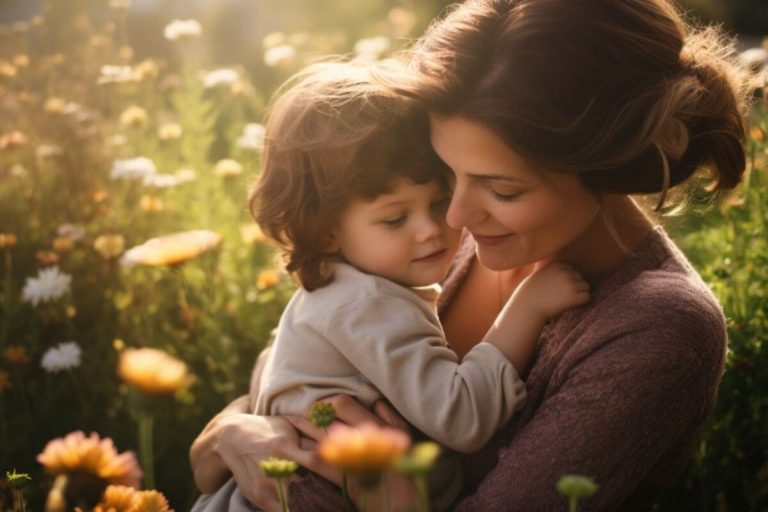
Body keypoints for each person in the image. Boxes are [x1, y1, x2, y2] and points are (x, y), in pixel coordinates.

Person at [190, 0, 751, 510]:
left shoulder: (657, 328)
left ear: (607, 167)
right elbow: (290, 369)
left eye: (501, 189)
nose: (454, 217)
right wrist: (231, 435)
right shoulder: (432, 236)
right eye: (447, 173)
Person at [191, 61, 589, 511]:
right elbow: (461, 417)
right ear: (325, 232)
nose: (431, 229)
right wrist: (527, 307)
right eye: (395, 218)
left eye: (439, 201)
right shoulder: (367, 303)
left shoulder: (336, 289)